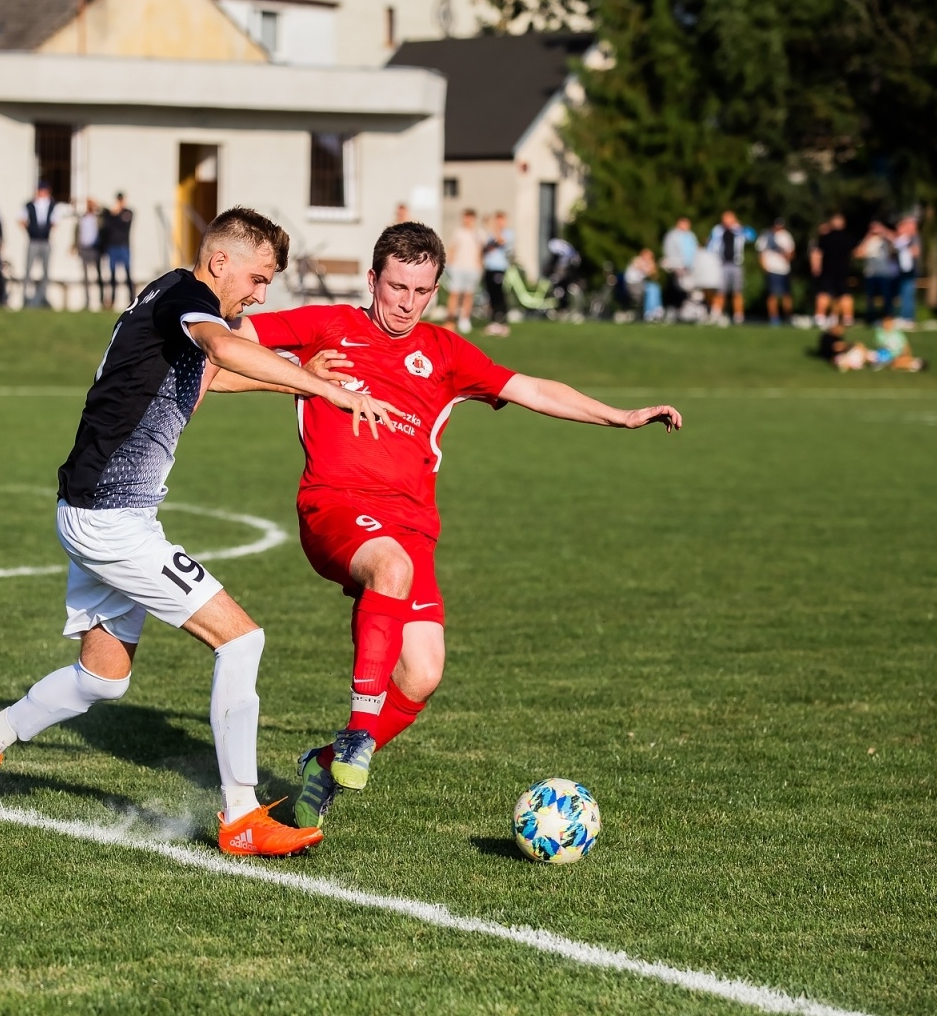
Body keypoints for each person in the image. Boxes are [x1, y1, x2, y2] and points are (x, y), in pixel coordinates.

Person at [0, 207, 398, 857]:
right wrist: (324, 390)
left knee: (102, 678)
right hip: (109, 518)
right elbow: (223, 349)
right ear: (220, 261)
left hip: (100, 511)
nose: (260, 294)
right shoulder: (188, 298)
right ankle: (242, 815)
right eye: (258, 277)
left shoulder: (170, 300)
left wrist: (300, 383)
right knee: (241, 640)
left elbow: (210, 372)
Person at [211, 222, 682, 832]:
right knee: (389, 567)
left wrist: (619, 416)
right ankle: (357, 733)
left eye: (421, 291)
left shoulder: (445, 352)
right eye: (396, 287)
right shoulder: (326, 325)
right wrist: (294, 375)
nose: (407, 303)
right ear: (373, 279)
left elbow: (531, 388)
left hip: (412, 525)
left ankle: (324, 767)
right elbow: (219, 350)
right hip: (335, 505)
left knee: (423, 672)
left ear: (435, 290)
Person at [811, 213, 856, 327]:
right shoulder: (848, 238)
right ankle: (848, 317)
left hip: (828, 270)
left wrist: (816, 266)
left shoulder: (825, 238)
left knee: (824, 293)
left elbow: (817, 253)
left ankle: (820, 317)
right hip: (843, 270)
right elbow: (855, 253)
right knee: (844, 294)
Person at [443, 208, 483, 334]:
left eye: (469, 218)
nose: (467, 220)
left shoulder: (478, 233)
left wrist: (479, 266)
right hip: (458, 267)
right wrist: (448, 264)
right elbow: (452, 248)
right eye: (465, 217)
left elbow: (480, 251)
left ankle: (464, 319)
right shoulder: (458, 232)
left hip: (472, 268)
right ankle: (450, 319)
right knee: (454, 293)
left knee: (468, 294)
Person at [20, 182, 56, 308]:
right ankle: (25, 296)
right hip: (33, 240)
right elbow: (22, 220)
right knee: (28, 269)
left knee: (46, 270)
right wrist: (31, 231)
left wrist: (45, 231)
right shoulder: (30, 205)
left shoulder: (52, 205)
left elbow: (54, 222)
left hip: (45, 241)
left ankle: (43, 296)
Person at [707, 210, 746, 322]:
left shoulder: (739, 230)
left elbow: (751, 236)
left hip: (736, 264)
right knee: (720, 290)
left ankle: (738, 315)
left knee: (737, 291)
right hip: (721, 264)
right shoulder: (717, 230)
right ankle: (716, 313)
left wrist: (739, 227)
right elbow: (710, 245)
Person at [856, 221, 898, 323]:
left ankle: (887, 317)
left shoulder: (886, 241)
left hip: (884, 274)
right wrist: (867, 237)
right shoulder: (868, 241)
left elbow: (896, 241)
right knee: (870, 298)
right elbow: (858, 253)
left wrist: (883, 230)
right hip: (870, 274)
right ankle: (871, 318)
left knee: (886, 297)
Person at [101, 192, 135, 309]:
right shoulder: (110, 214)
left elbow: (123, 224)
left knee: (128, 273)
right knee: (112, 274)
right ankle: (112, 300)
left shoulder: (128, 212)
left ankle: (132, 298)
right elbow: (107, 226)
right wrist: (113, 213)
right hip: (113, 246)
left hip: (123, 246)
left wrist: (116, 214)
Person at [481, 211, 513, 336]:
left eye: (501, 220)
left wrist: (492, 228)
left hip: (499, 268)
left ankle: (502, 320)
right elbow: (485, 248)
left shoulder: (508, 233)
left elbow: (500, 241)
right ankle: (494, 320)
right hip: (489, 268)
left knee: (499, 294)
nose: (499, 223)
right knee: (491, 295)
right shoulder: (490, 234)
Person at [759, 218, 795, 325]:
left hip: (784, 269)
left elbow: (791, 252)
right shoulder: (766, 235)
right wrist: (764, 267)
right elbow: (761, 252)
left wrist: (787, 256)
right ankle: (774, 318)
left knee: (786, 294)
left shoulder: (786, 236)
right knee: (772, 294)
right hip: (772, 268)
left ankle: (788, 316)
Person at [661, 217, 698, 311]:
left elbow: (694, 250)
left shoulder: (690, 235)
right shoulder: (672, 235)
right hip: (677, 265)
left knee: (687, 288)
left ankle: (684, 308)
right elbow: (669, 250)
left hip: (689, 266)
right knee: (676, 287)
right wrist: (674, 264)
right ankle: (673, 307)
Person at [75, 199, 104, 311]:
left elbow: (105, 211)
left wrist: (96, 204)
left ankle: (101, 300)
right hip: (84, 249)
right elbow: (77, 233)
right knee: (85, 277)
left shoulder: (98, 218)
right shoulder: (82, 219)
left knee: (98, 275)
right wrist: (75, 246)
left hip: (95, 249)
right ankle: (87, 301)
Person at [892, 216, 921, 325]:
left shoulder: (913, 238)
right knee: (903, 294)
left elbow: (916, 252)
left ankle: (908, 318)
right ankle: (903, 316)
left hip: (910, 271)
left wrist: (907, 250)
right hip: (903, 270)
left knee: (908, 294)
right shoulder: (904, 238)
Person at [624, 249, 662, 320]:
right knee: (652, 288)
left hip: (639, 285)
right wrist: (652, 265)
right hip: (633, 286)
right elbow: (646, 269)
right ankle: (650, 311)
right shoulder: (637, 260)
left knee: (654, 287)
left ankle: (655, 309)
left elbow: (655, 276)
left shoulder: (645, 263)